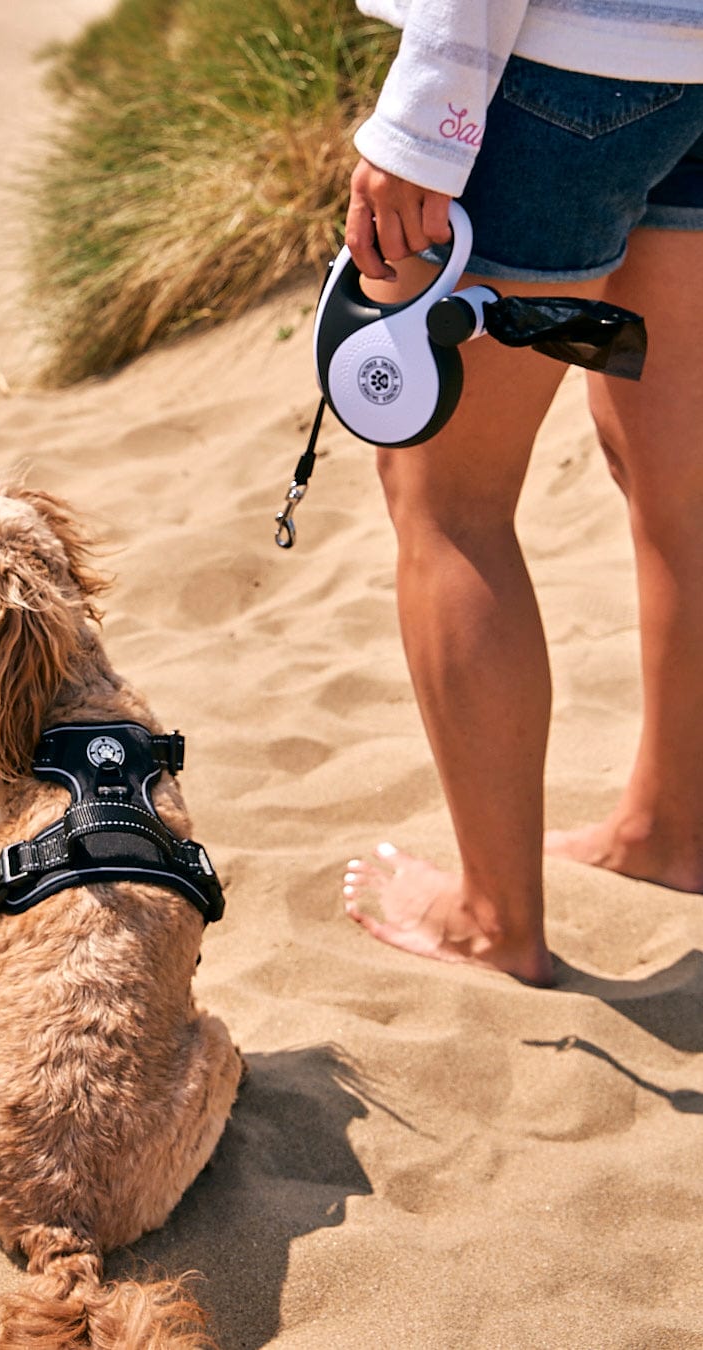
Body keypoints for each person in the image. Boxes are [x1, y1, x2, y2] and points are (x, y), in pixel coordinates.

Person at [338, 0, 703, 985]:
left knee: (448, 501)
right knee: (675, 479)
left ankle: (492, 920)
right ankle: (671, 829)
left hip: (554, 75)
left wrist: (421, 124)